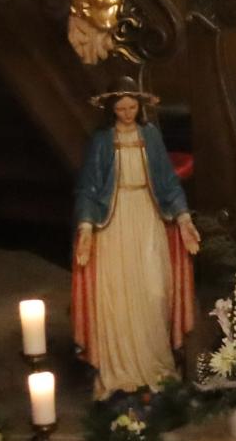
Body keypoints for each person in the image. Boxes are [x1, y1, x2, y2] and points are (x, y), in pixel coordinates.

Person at [70, 83, 198, 397]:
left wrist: (183, 217)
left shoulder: (151, 135)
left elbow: (168, 180)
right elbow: (87, 186)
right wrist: (86, 226)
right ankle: (117, 368)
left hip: (147, 216)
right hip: (113, 222)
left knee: (154, 290)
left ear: (140, 108)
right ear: (111, 110)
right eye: (121, 109)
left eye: (132, 108)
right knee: (116, 294)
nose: (128, 114)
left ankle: (157, 362)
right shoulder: (102, 140)